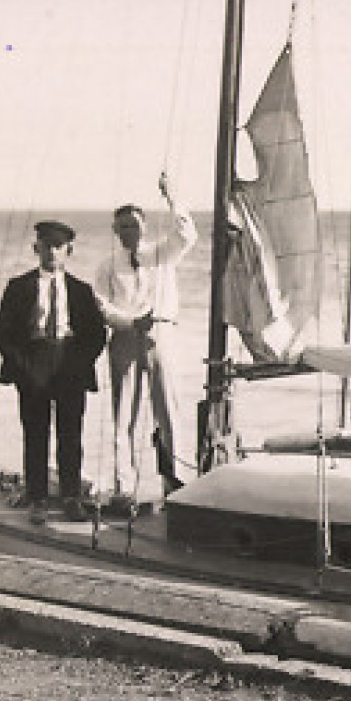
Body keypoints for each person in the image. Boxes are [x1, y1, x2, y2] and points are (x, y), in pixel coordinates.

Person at [0, 219, 108, 525]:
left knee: (71, 436)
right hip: (34, 363)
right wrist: (23, 365)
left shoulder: (81, 291)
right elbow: (2, 333)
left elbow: (97, 334)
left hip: (70, 364)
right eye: (46, 246)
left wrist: (80, 363)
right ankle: (38, 500)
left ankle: (72, 498)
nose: (52, 253)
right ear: (36, 249)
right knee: (35, 434)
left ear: (69, 251)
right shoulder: (19, 287)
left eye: (58, 247)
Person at [95, 174, 199, 511]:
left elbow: (187, 235)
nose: (129, 232)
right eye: (122, 227)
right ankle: (124, 487)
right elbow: (101, 305)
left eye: (134, 226)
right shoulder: (107, 266)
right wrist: (129, 322)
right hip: (125, 339)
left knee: (168, 411)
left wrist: (173, 197)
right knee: (123, 415)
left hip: (161, 335)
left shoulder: (162, 254)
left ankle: (175, 484)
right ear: (115, 231)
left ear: (144, 226)